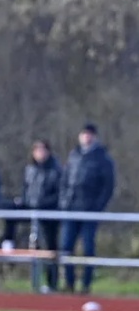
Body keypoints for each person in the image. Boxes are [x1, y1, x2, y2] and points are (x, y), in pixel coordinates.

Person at [59, 123, 115, 294]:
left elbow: (108, 186)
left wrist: (98, 207)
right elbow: (65, 180)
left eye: (90, 134)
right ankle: (69, 284)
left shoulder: (103, 158)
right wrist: (64, 202)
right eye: (84, 134)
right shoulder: (74, 155)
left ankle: (86, 285)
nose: (87, 137)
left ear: (95, 137)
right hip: (71, 209)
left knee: (88, 248)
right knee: (66, 247)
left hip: (90, 211)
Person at [19, 140, 62, 292]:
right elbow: (26, 190)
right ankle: (35, 283)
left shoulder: (55, 170)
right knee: (35, 247)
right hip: (32, 214)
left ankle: (52, 283)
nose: (40, 153)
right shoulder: (30, 169)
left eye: (43, 150)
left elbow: (58, 194)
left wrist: (42, 204)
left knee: (50, 249)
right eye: (37, 150)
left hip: (49, 215)